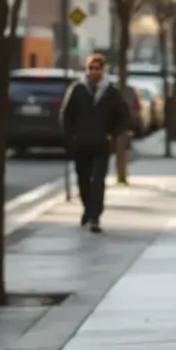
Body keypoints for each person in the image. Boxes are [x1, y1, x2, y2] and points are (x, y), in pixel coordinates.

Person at [60, 54, 129, 233]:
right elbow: (66, 115)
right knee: (83, 180)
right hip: (81, 144)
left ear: (103, 70)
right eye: (91, 68)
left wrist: (112, 134)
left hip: (101, 144)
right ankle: (87, 209)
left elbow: (123, 116)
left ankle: (95, 216)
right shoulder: (77, 90)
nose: (94, 72)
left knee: (98, 180)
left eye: (97, 68)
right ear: (87, 70)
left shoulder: (110, 92)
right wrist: (71, 136)